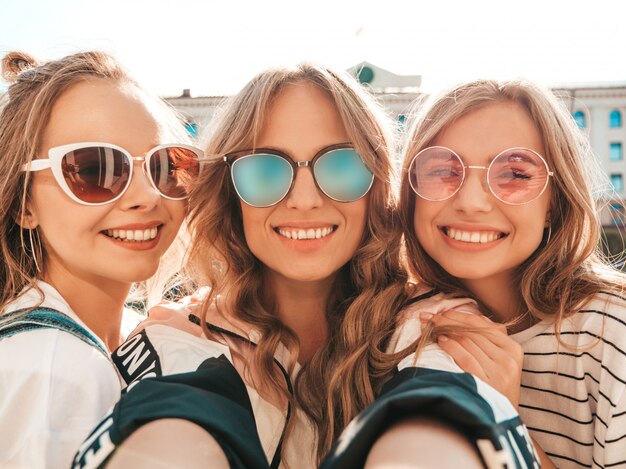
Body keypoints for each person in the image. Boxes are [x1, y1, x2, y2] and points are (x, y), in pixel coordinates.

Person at [73, 65, 538, 469]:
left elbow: (438, 416)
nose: (304, 199)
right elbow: (174, 421)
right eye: (265, 170)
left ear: (375, 186)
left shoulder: (440, 325)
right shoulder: (180, 335)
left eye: (340, 166)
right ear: (230, 196)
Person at [399, 78, 626, 468]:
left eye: (515, 174)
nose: (470, 202)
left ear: (555, 201)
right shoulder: (394, 321)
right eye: (442, 170)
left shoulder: (612, 332)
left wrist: (502, 418)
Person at [0, 50, 202, 468]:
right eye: (93, 169)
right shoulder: (52, 368)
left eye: (166, 166)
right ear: (24, 203)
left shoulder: (130, 336)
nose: (147, 196)